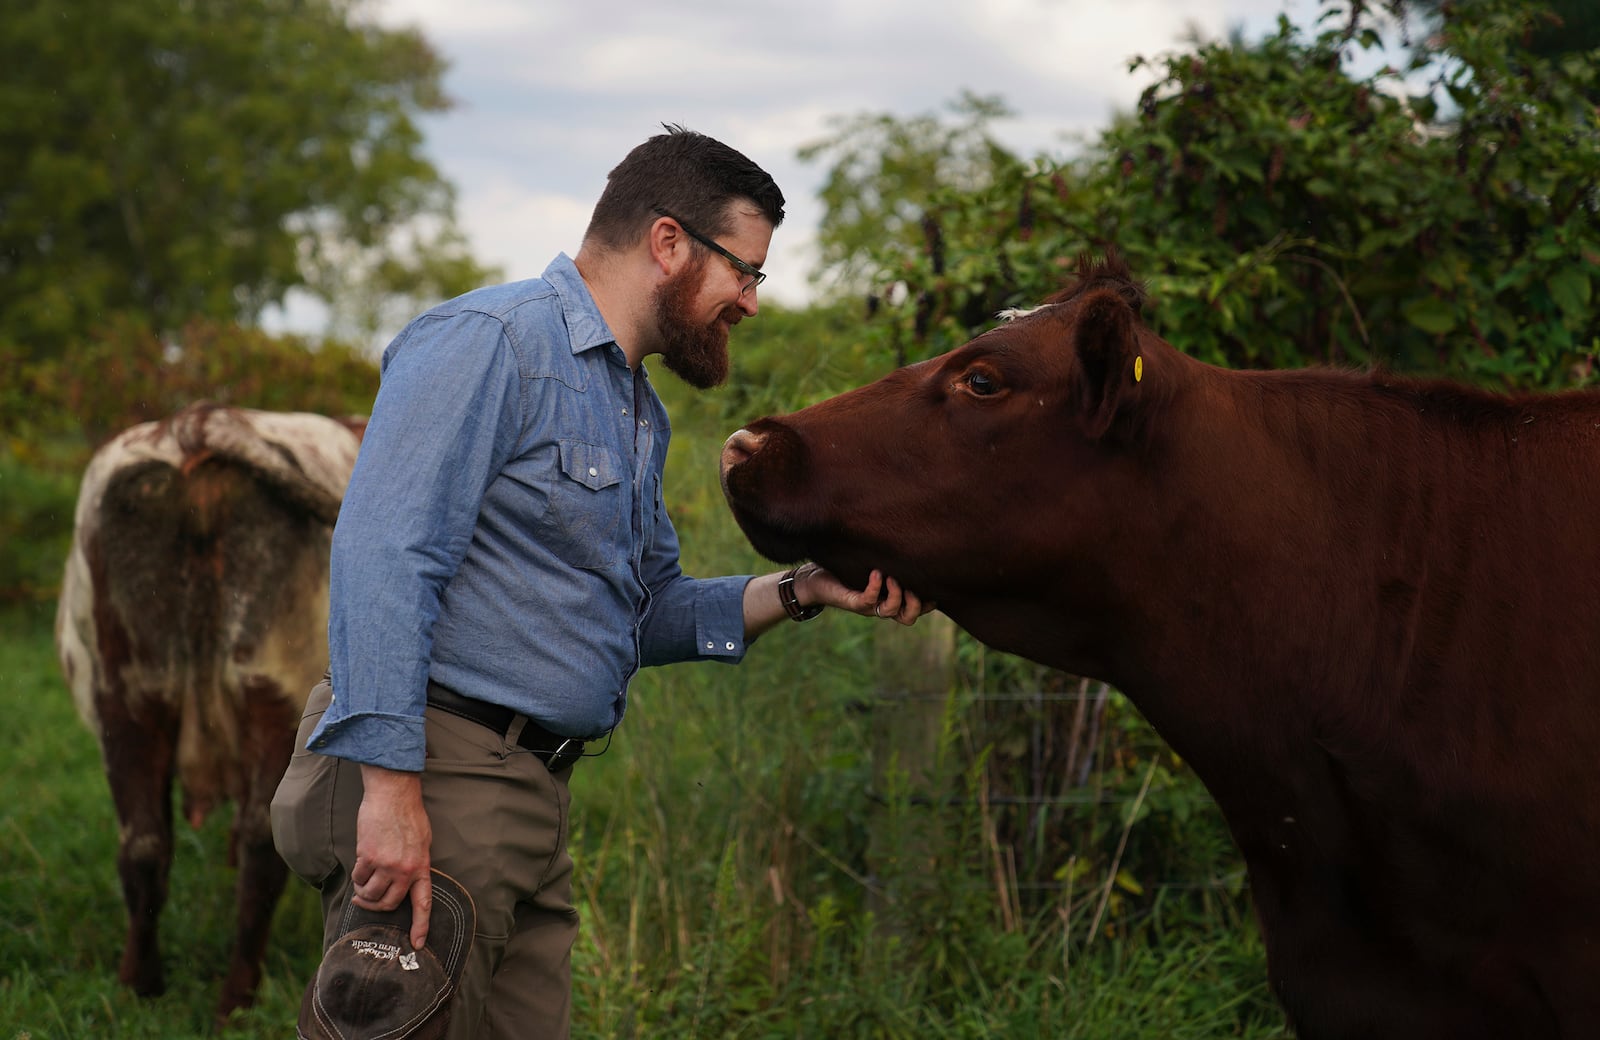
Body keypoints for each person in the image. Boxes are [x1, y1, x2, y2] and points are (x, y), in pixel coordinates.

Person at [270, 123, 927, 1040]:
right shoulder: (491, 341)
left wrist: (807, 589)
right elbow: (385, 555)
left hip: (533, 801)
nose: (750, 299)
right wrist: (390, 792)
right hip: (442, 774)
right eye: (746, 270)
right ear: (668, 243)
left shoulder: (634, 409)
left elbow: (649, 612)